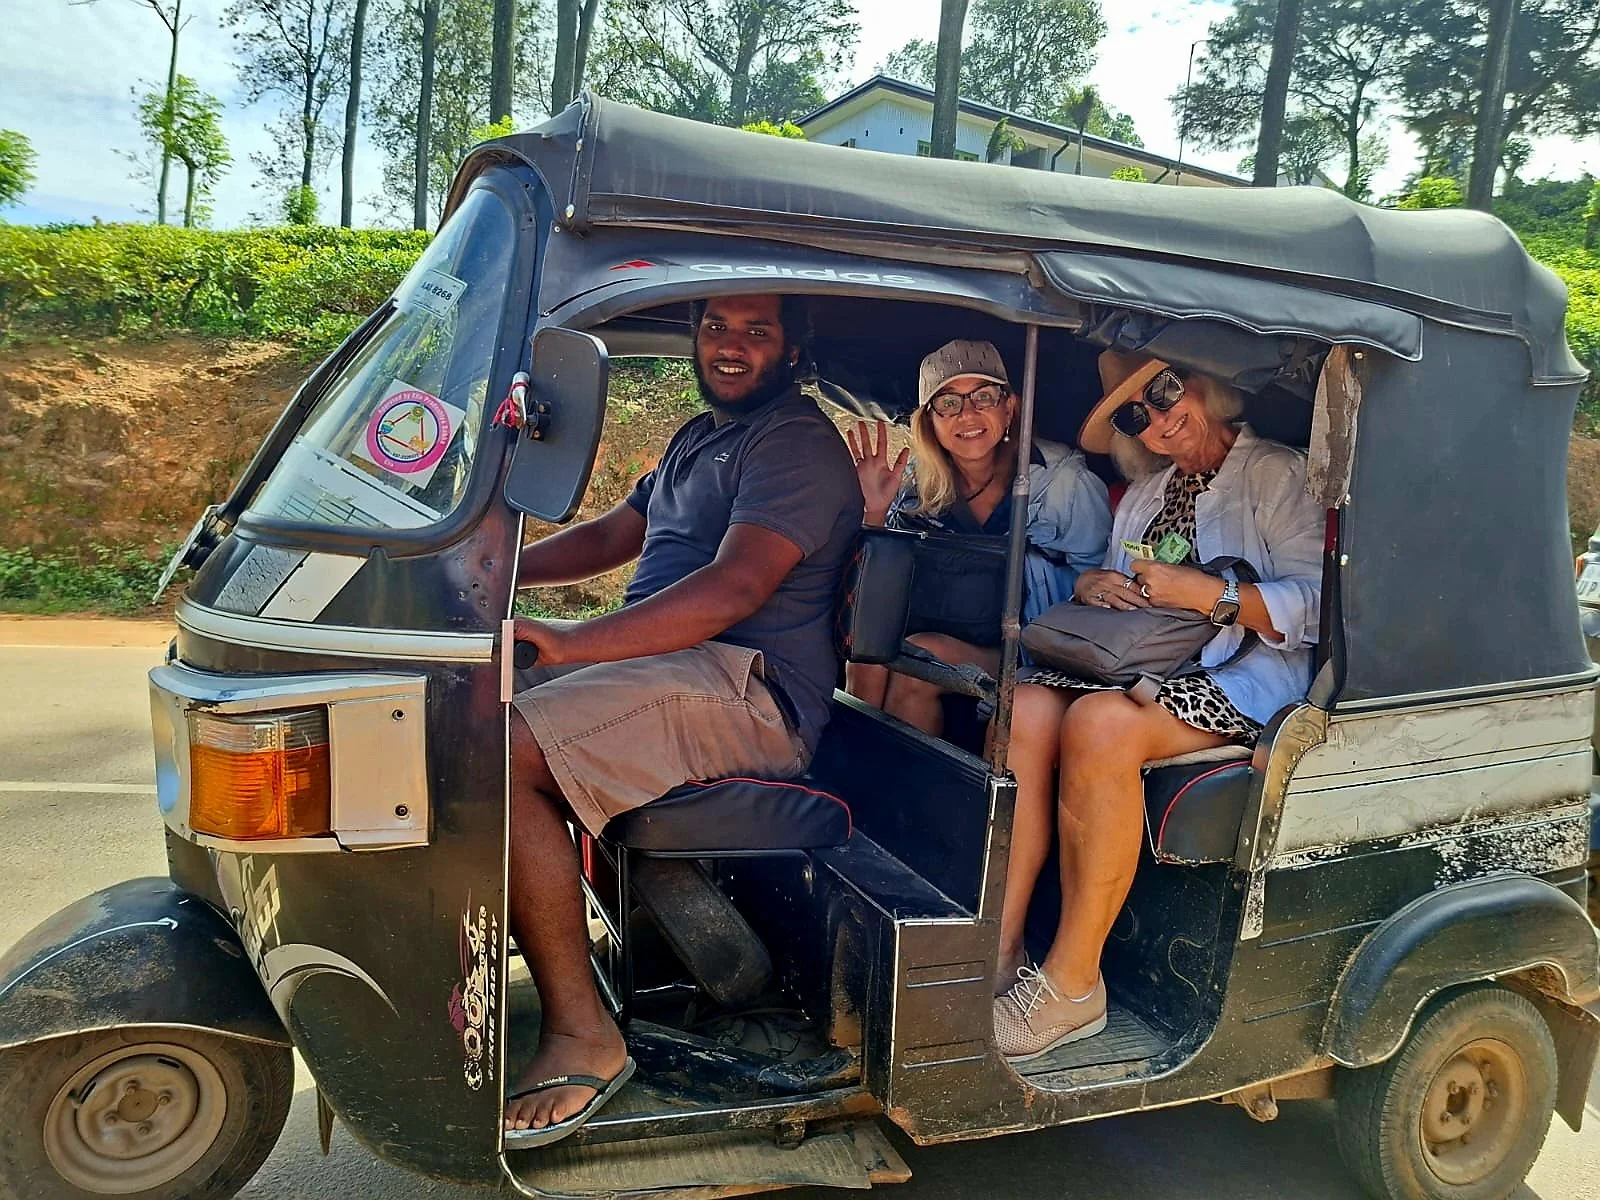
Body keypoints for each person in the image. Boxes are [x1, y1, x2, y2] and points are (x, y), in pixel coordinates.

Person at [503, 293, 863, 1140]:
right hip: (674, 664)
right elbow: (612, 537)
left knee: (507, 748)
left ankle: (583, 1036)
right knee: (467, 704)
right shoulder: (699, 435)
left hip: (751, 690)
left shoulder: (794, 443)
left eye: (756, 331)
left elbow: (735, 587)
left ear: (792, 350)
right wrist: (495, 566)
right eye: (715, 327)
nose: (730, 346)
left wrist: (572, 642)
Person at [992, 351, 1324, 1060]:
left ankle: (1074, 986)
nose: (1159, 420)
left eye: (1167, 391)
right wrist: (1092, 588)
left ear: (1208, 383)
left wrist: (1211, 596)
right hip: (1147, 668)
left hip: (1248, 677)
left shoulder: (1276, 474)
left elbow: (1321, 607)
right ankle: (1005, 947)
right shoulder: (1147, 493)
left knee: (1100, 725)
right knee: (1026, 706)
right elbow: (1118, 583)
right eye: (1135, 415)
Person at [846, 339, 1111, 738]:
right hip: (936, 631)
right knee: (867, 651)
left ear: (1010, 408)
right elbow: (882, 587)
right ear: (929, 422)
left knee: (921, 658)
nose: (967, 414)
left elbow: (1098, 582)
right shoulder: (917, 484)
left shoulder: (1064, 482)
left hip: (1031, 649)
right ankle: (853, 756)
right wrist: (875, 515)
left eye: (983, 396)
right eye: (948, 403)